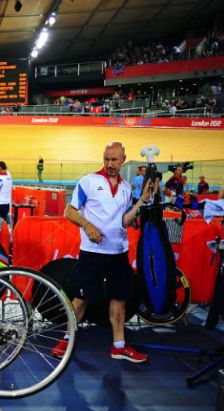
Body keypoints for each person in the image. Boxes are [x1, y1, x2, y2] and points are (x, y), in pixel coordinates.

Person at [55, 141, 156, 364]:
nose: (110, 164)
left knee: (119, 300)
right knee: (80, 299)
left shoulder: (127, 188)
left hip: (119, 253)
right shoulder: (89, 182)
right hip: (92, 252)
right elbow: (69, 211)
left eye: (114, 160)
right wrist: (88, 226)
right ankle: (66, 339)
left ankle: (119, 346)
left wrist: (141, 202)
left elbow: (124, 221)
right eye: (106, 159)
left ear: (123, 160)